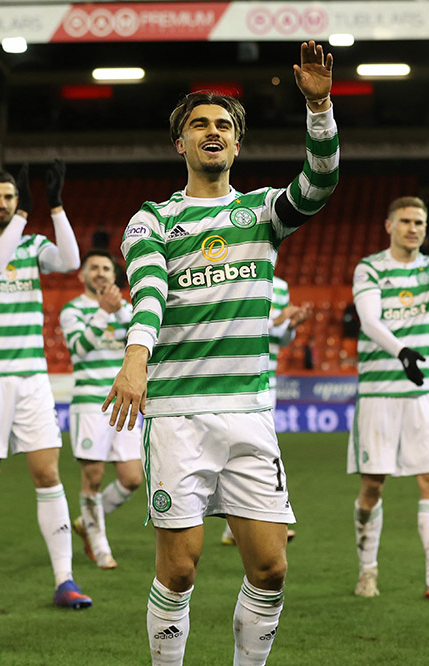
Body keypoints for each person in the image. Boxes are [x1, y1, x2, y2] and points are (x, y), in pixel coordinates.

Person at [104, 41, 338, 666]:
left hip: (249, 414)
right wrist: (135, 357)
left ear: (238, 145)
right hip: (178, 414)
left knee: (270, 567)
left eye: (224, 126)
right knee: (179, 571)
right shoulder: (152, 219)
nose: (213, 132)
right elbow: (149, 290)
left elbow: (319, 183)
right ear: (178, 143)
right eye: (199, 125)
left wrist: (318, 108)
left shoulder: (260, 211)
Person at [0, 160, 89, 609]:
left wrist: (58, 205)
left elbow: (70, 261)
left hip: (32, 378)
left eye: (11, 197)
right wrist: (27, 215)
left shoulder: (30, 246)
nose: (4, 204)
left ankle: (65, 580)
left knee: (47, 472)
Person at [346, 185, 429, 602]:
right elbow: (369, 320)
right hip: (380, 390)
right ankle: (368, 571)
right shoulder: (370, 268)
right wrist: (402, 351)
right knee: (373, 485)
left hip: (424, 392)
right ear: (389, 226)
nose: (414, 228)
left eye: (420, 222)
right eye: (406, 221)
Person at [59, 250, 141, 570]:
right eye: (93, 268)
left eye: (106, 268)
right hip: (90, 404)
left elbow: (138, 341)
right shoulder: (73, 310)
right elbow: (79, 348)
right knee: (92, 476)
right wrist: (102, 313)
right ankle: (99, 544)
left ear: (114, 275)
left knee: (132, 478)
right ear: (82, 275)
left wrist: (116, 311)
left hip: (124, 401)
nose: (100, 273)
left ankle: (86, 522)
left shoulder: (128, 311)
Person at [220, 274, 309, 546]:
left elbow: (279, 340)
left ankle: (236, 526)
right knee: (241, 449)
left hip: (266, 378)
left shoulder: (281, 286)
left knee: (254, 449)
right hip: (233, 377)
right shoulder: (231, 274)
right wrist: (278, 320)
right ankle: (267, 517)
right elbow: (231, 327)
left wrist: (292, 326)